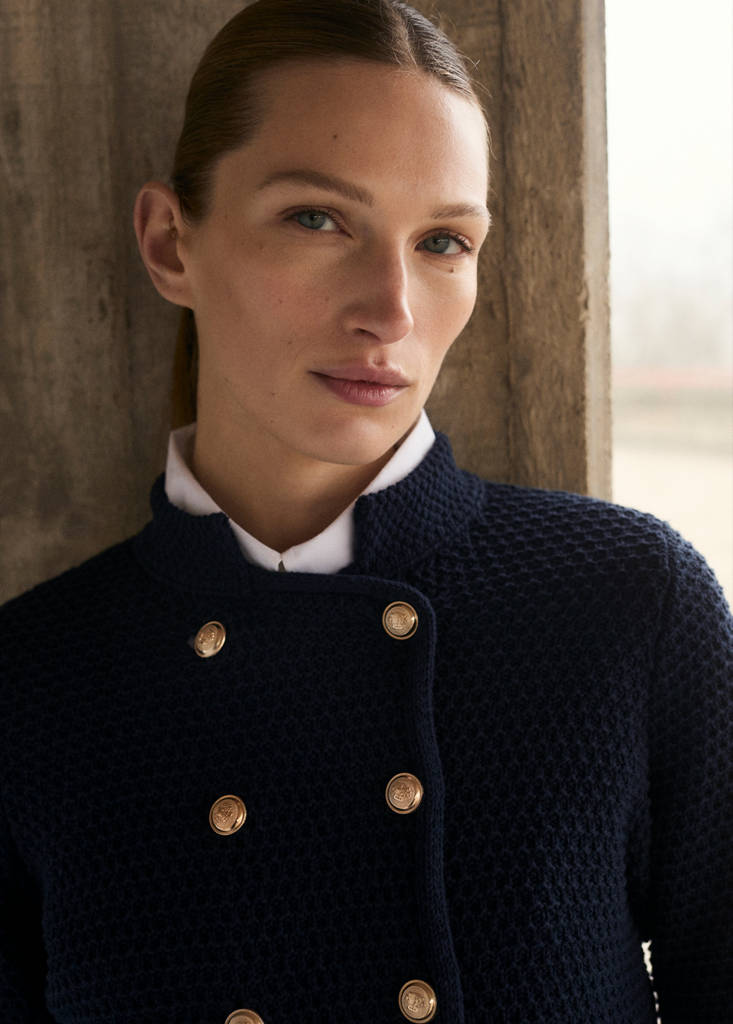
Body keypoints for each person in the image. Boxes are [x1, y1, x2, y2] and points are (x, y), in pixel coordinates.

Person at [0, 1, 730, 1021]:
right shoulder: (29, 683)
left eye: (442, 241)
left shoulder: (625, 603)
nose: (391, 310)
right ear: (170, 244)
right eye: (317, 219)